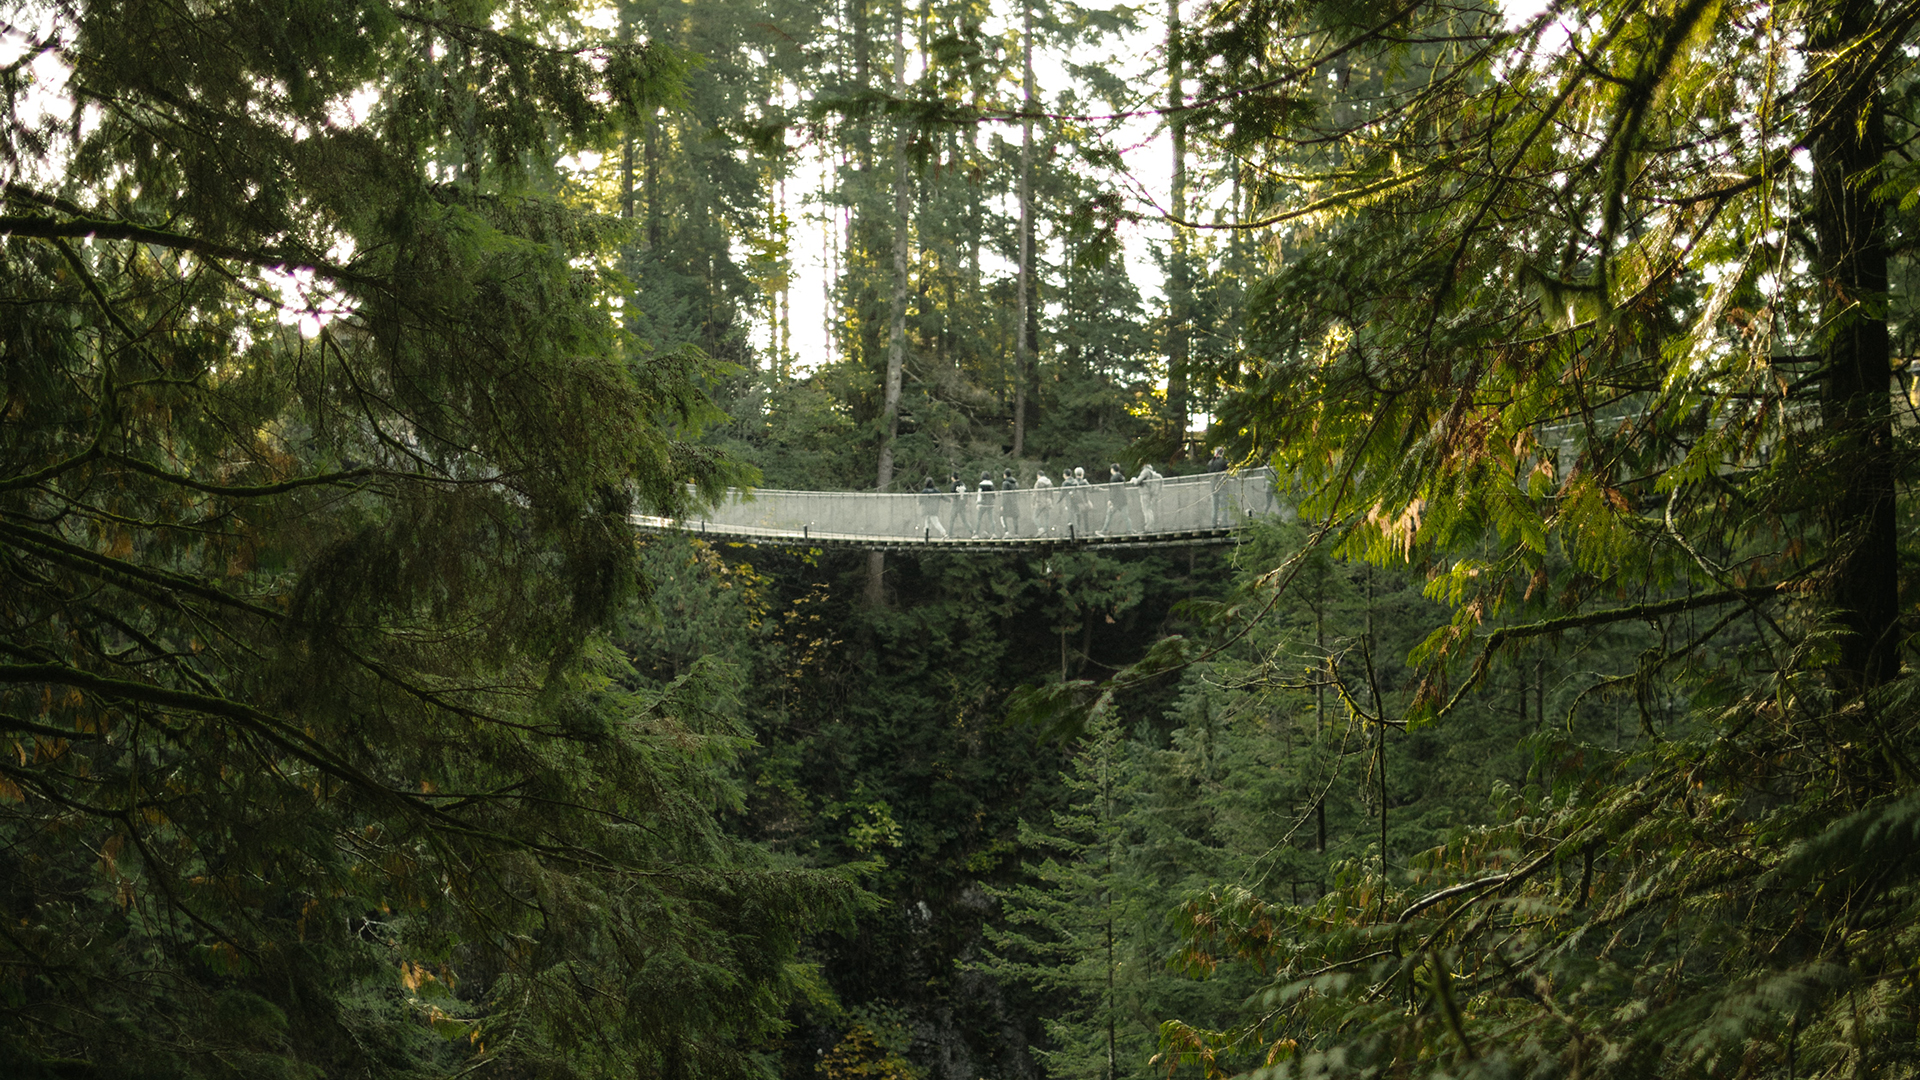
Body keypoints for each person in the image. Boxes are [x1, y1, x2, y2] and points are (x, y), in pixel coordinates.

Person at [1129, 462, 1163, 532]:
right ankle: (1149, 527)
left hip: (1145, 493)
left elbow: (1137, 482)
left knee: (1146, 510)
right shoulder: (1150, 471)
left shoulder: (1145, 471)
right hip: (1149, 492)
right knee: (1148, 510)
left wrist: (1133, 479)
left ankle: (1148, 528)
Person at [1099, 463, 1129, 535]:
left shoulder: (1113, 478)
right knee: (1125, 516)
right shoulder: (1121, 477)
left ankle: (1104, 530)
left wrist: (1110, 500)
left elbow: (1113, 490)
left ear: (1112, 469)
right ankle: (1130, 530)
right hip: (1123, 500)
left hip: (1116, 501)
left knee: (1109, 515)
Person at [1207, 446, 1230, 526]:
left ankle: (1214, 523)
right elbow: (1229, 471)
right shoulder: (1225, 462)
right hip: (1223, 486)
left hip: (1213, 487)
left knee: (1214, 506)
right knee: (1224, 505)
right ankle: (1225, 522)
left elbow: (1209, 473)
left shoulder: (1210, 462)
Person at [1032, 466, 1055, 536]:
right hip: (1048, 502)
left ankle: (1040, 529)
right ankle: (1046, 532)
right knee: (1046, 518)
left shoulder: (1038, 482)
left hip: (1040, 502)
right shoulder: (1049, 482)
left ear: (1038, 476)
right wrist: (1051, 501)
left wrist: (1033, 502)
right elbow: (1051, 493)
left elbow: (1035, 493)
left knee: (1034, 516)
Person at [975, 470, 997, 537]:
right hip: (990, 504)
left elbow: (979, 494)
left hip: (983, 504)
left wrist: (978, 503)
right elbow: (994, 495)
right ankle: (993, 533)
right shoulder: (991, 484)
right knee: (991, 519)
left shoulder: (981, 484)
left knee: (979, 519)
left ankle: (976, 534)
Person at [1001, 468, 1020, 537]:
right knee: (1015, 518)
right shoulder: (1015, 483)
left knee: (1002, 517)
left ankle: (1007, 532)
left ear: (1005, 475)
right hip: (1015, 503)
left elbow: (1005, 495)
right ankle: (1016, 533)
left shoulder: (1005, 483)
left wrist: (1002, 505)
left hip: (1007, 504)